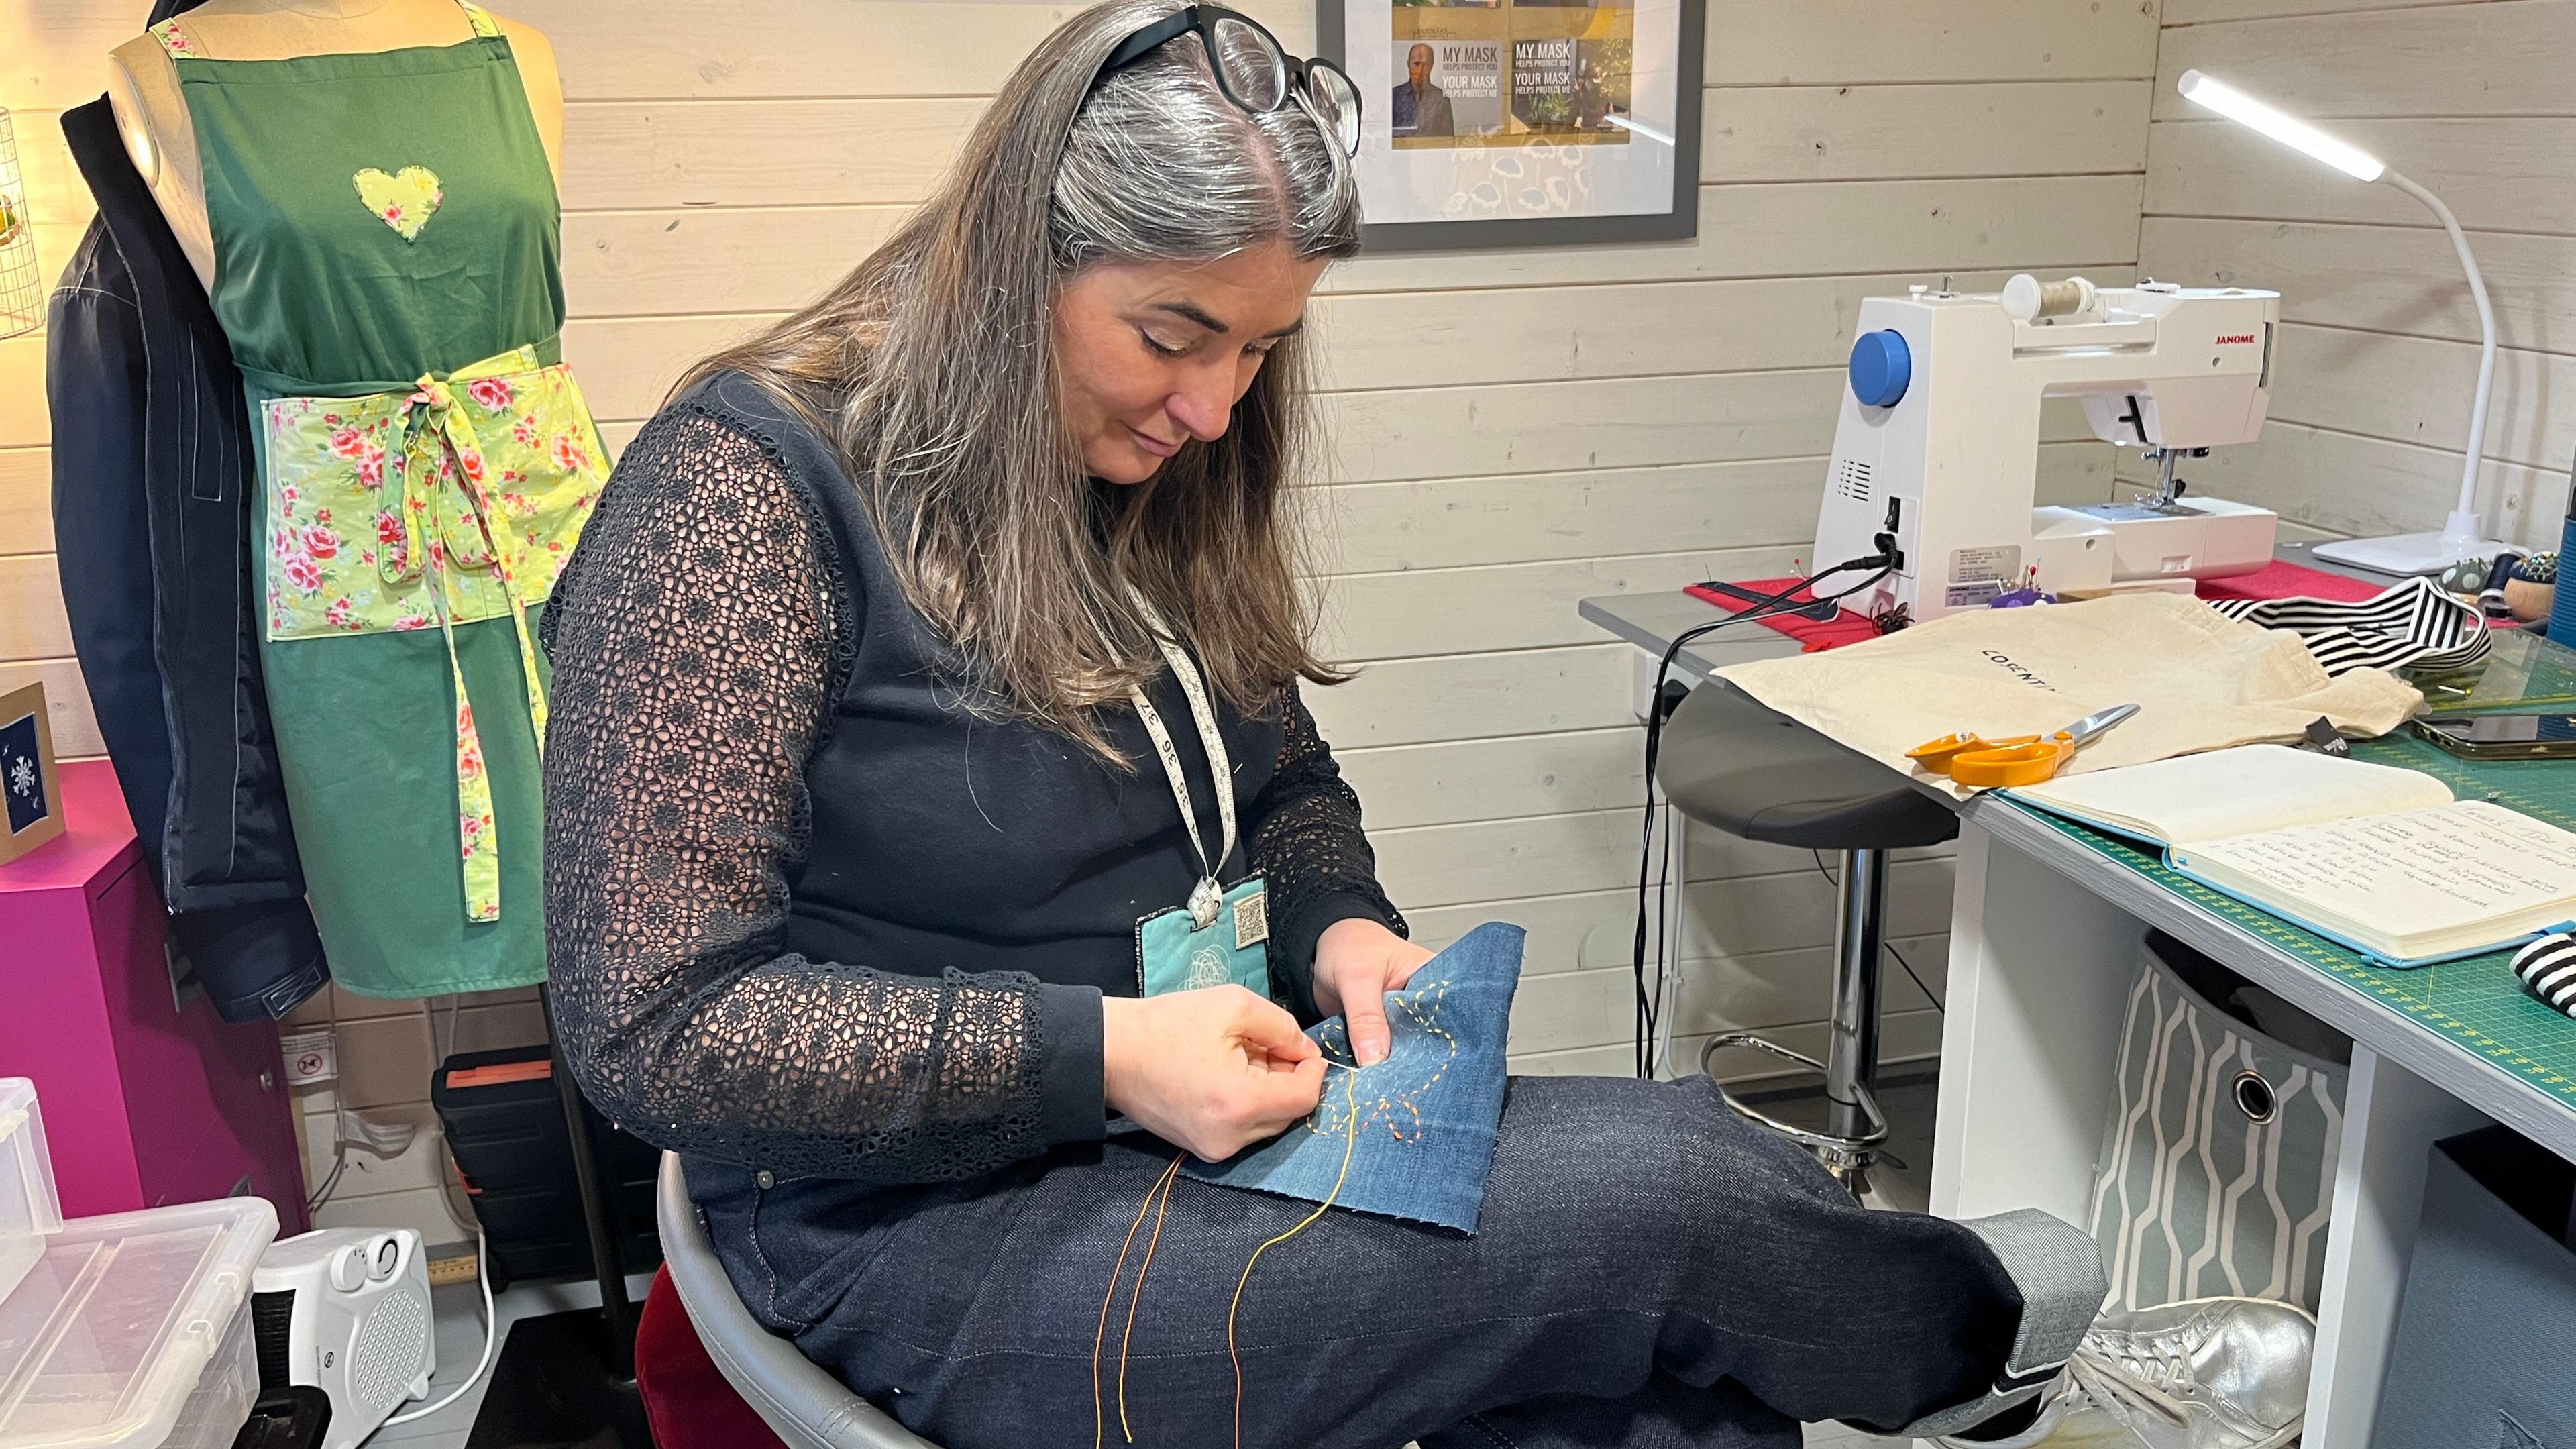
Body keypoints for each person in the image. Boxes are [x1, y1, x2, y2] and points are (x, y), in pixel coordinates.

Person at [540, 4, 2102, 1446]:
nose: (1214, 405)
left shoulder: (1154, 458)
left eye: (1260, 347)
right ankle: (2000, 1358)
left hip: (1181, 1117)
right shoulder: (738, 495)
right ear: (1014, 256)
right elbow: (658, 1030)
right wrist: (1102, 1057)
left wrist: (1341, 924)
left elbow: (1277, 777)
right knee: (1677, 1189)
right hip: (919, 1216)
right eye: (1171, 336)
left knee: (1661, 1405)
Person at [1393, 41, 1455, 137]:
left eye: (1426, 65)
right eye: (1416, 64)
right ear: (1408, 65)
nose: (1421, 70)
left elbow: (1447, 139)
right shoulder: (1395, 96)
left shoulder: (1441, 98)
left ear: (1432, 66)